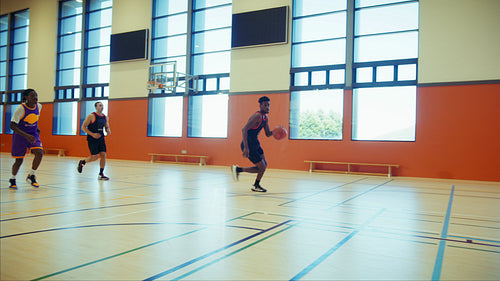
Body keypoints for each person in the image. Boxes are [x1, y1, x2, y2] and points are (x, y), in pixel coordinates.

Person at [231, 96, 275, 192]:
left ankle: (255, 184)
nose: (267, 107)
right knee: (261, 167)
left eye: (268, 105)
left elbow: (268, 134)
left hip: (255, 143)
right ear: (260, 106)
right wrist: (246, 148)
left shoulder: (265, 117)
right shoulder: (257, 116)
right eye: (265, 105)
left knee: (264, 165)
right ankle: (239, 170)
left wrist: (276, 132)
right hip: (249, 144)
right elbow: (244, 130)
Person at [9, 89, 43, 189]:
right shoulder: (20, 109)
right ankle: (12, 179)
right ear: (26, 98)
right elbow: (12, 125)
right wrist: (26, 135)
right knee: (19, 160)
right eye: (32, 95)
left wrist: (36, 128)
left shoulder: (39, 106)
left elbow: (32, 119)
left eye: (36, 95)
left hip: (32, 134)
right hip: (20, 135)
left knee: (39, 153)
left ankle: (31, 175)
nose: (35, 97)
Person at [77, 101, 111, 180]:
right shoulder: (91, 116)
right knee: (95, 157)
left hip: (101, 139)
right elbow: (83, 127)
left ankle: (101, 174)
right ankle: (83, 162)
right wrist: (93, 134)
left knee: (103, 155)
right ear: (96, 107)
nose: (101, 107)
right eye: (100, 105)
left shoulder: (105, 117)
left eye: (102, 105)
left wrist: (108, 130)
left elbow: (106, 126)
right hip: (92, 139)